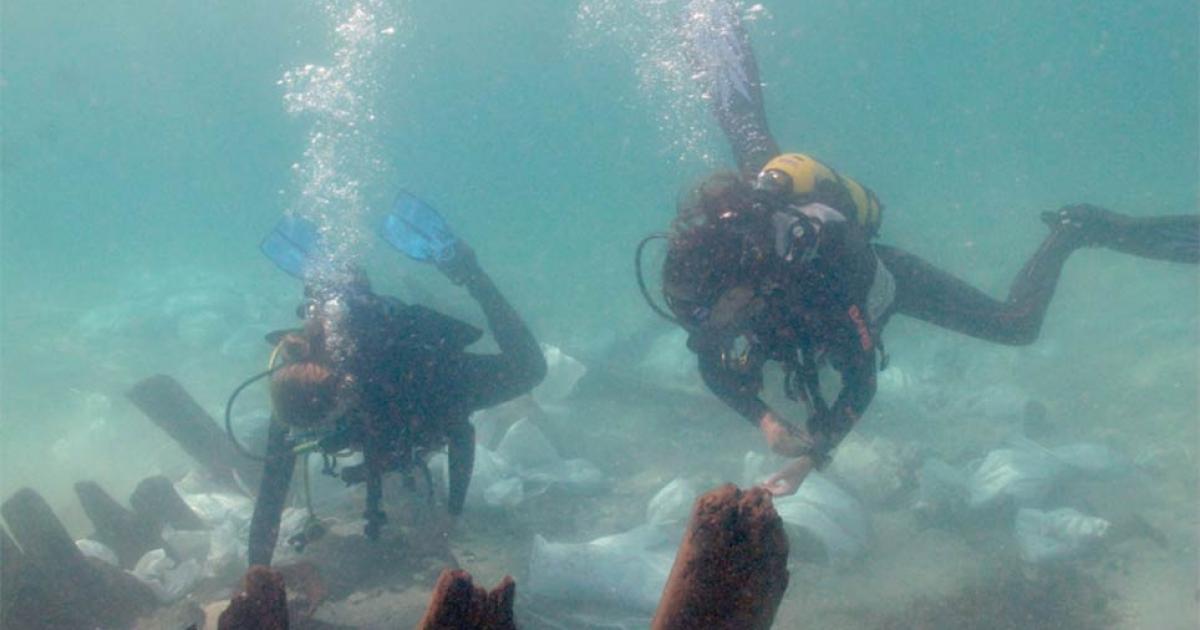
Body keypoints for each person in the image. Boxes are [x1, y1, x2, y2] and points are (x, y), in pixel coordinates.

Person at [649, 0, 1199, 497]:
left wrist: (815, 455)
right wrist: (767, 422)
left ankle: (1074, 230)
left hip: (879, 277)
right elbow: (713, 365)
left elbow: (860, 382)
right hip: (778, 236)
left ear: (743, 285)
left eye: (709, 313)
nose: (706, 328)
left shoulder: (821, 280)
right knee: (750, 140)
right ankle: (711, 29)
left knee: (1016, 325)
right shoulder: (731, 263)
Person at [247, 207, 546, 566]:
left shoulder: (412, 383)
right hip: (383, 396)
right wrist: (257, 572)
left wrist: (450, 516)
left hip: (429, 377)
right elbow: (270, 496)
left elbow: (460, 435)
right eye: (309, 430)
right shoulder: (296, 395)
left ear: (345, 397)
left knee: (529, 369)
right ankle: (334, 280)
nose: (314, 435)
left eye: (324, 423)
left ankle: (470, 273)